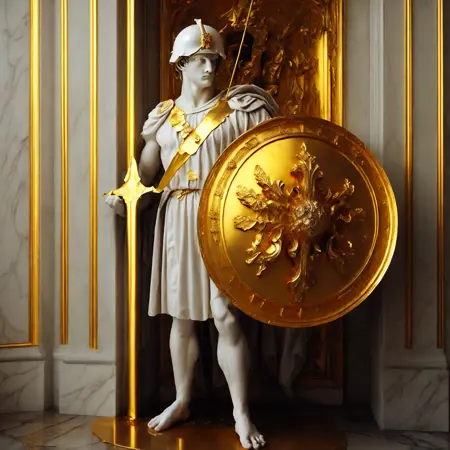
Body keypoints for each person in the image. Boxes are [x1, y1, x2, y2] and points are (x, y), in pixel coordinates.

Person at [106, 19, 278, 449]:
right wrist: (125, 194)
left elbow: (273, 157)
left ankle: (241, 412)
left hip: (223, 219)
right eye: (199, 60)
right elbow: (148, 175)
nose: (209, 68)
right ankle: (182, 399)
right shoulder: (163, 117)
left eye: (213, 59)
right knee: (180, 317)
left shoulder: (240, 110)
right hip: (178, 216)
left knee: (225, 314)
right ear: (180, 64)